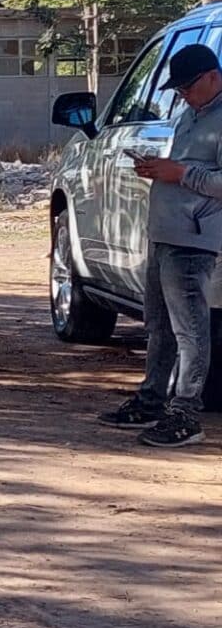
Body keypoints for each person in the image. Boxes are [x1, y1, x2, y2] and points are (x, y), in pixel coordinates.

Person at [100, 43, 222, 447]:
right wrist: (159, 168)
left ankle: (186, 414)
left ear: (213, 77)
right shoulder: (191, 114)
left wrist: (180, 173)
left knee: (190, 331)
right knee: (159, 325)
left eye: (188, 86)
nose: (183, 95)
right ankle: (152, 400)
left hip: (195, 238)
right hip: (166, 233)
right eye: (179, 89)